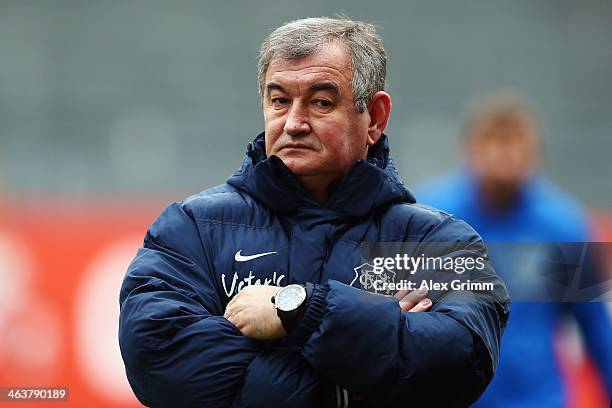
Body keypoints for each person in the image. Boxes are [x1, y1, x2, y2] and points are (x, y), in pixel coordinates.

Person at [119, 17, 509, 407]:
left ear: (375, 117)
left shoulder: (439, 242)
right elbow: (157, 358)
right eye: (279, 101)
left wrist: (301, 308)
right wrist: (352, 375)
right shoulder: (192, 229)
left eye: (321, 102)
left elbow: (460, 360)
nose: (293, 123)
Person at [416, 92, 612, 407]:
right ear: (469, 149)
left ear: (536, 153)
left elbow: (596, 327)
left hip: (536, 399)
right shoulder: (429, 220)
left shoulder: (565, 227)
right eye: (493, 142)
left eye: (515, 143)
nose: (503, 155)